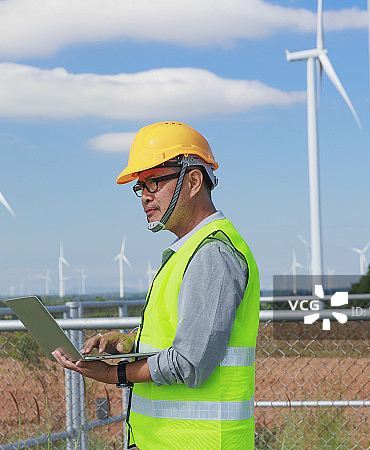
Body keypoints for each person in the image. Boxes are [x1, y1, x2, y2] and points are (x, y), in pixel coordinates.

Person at [52, 121, 260, 449]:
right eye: (140, 187)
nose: (145, 196)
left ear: (193, 181)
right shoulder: (188, 251)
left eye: (154, 182)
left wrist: (114, 374)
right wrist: (130, 343)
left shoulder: (213, 254)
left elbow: (191, 362)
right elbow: (184, 338)